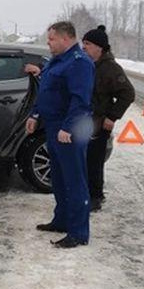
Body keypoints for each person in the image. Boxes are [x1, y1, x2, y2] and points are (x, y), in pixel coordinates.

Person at [25, 21, 94, 248]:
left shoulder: (79, 63)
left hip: (69, 130)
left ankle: (78, 232)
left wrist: (68, 127)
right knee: (59, 178)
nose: (48, 43)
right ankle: (62, 219)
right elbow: (46, 89)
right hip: (53, 127)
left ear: (65, 38)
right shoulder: (57, 61)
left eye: (52, 39)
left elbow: (80, 100)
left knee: (74, 181)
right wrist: (35, 115)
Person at [81, 25, 135, 211]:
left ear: (99, 47)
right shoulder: (89, 64)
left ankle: (95, 197)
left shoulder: (110, 68)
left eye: (87, 44)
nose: (84, 47)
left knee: (94, 162)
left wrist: (112, 116)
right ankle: (87, 194)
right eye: (83, 43)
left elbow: (128, 93)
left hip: (99, 123)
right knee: (85, 160)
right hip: (85, 122)